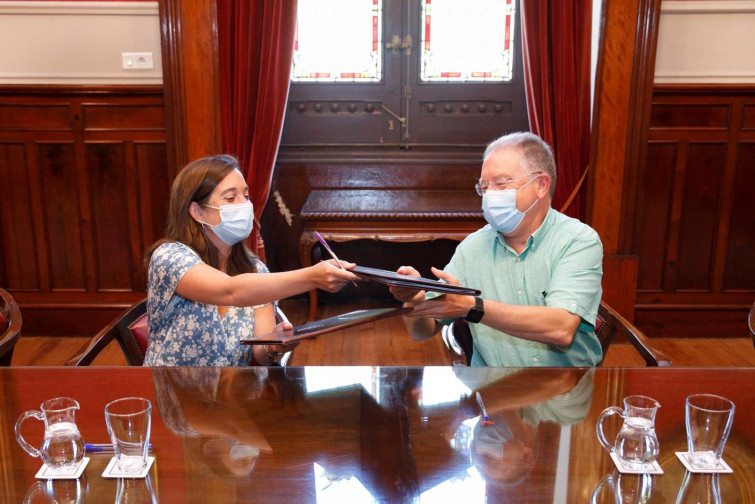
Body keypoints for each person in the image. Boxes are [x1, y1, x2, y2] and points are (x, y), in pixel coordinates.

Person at [390, 132, 603, 366]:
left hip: (567, 389)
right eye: (484, 187)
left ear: (541, 185)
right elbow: (422, 331)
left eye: (501, 184)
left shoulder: (578, 241)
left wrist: (473, 308)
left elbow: (561, 329)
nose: (490, 195)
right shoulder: (473, 248)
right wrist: (415, 298)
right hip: (496, 391)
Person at [143, 154, 358, 366]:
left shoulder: (256, 270)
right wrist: (313, 276)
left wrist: (273, 346)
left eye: (246, 196)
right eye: (230, 198)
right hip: (171, 394)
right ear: (197, 212)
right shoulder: (169, 257)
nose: (245, 205)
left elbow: (261, 352)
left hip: (232, 396)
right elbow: (230, 290)